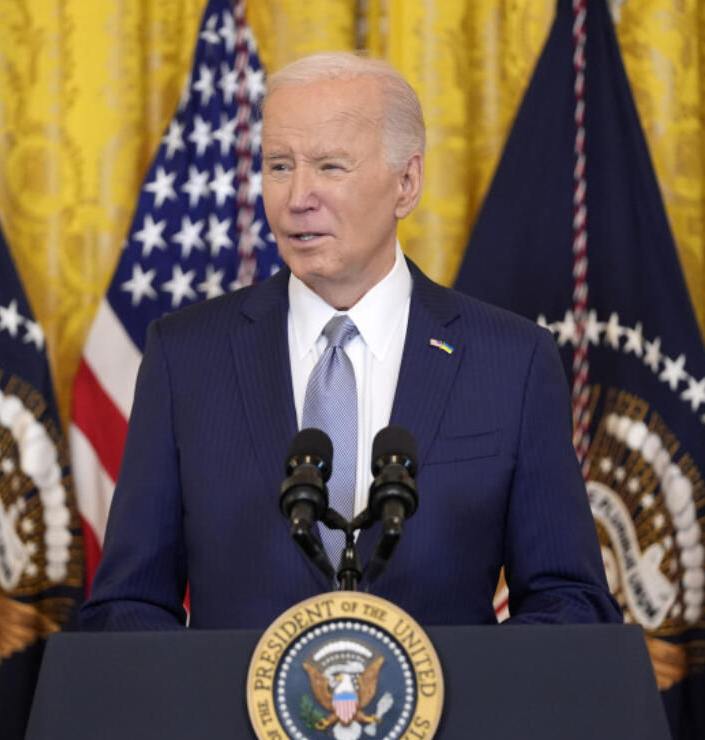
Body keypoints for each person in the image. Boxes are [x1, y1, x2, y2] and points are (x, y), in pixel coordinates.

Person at [79, 52, 619, 630]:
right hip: (232, 718)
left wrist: (455, 692)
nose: (297, 197)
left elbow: (571, 602)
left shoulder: (513, 362)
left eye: (331, 167)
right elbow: (127, 606)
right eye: (279, 166)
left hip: (448, 719)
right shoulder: (184, 357)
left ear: (406, 184)